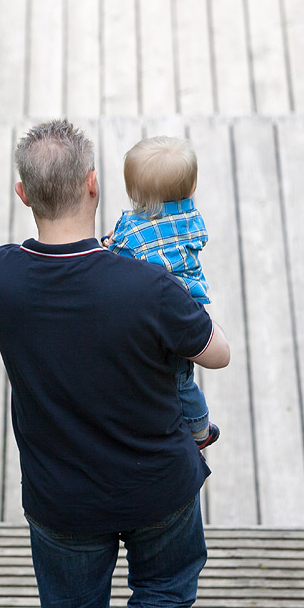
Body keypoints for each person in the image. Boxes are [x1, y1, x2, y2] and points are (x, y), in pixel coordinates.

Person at [0, 119, 230, 608]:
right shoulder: (148, 286)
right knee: (165, 595)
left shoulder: (1, 274)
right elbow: (215, 354)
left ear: (23, 194)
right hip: (159, 487)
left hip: (61, 496)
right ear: (95, 185)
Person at [106, 135, 220, 449]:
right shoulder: (193, 219)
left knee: (160, 377)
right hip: (189, 311)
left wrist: (106, 246)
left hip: (152, 315)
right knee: (184, 379)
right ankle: (200, 430)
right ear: (192, 186)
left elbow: (118, 258)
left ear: (132, 193)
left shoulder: (130, 228)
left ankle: (185, 426)